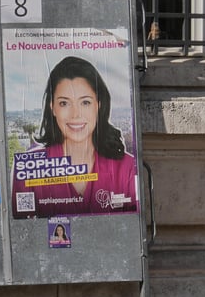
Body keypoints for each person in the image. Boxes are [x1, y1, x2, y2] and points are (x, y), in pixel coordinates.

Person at [11, 55, 138, 217]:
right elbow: (23, 234)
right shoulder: (28, 169)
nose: (75, 114)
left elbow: (132, 232)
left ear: (99, 105)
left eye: (85, 102)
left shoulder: (126, 167)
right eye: (64, 103)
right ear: (53, 108)